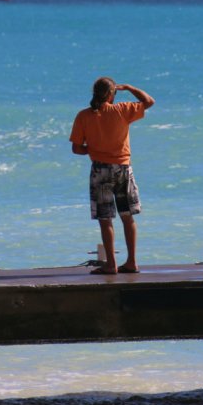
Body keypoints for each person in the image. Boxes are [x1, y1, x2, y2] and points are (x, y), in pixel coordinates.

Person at [70, 77, 154, 275]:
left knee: (105, 219)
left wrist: (93, 149)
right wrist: (129, 87)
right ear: (111, 94)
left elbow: (76, 149)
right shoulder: (122, 110)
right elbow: (149, 101)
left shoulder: (84, 116)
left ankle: (111, 264)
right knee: (127, 217)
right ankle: (132, 261)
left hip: (100, 170)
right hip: (123, 169)